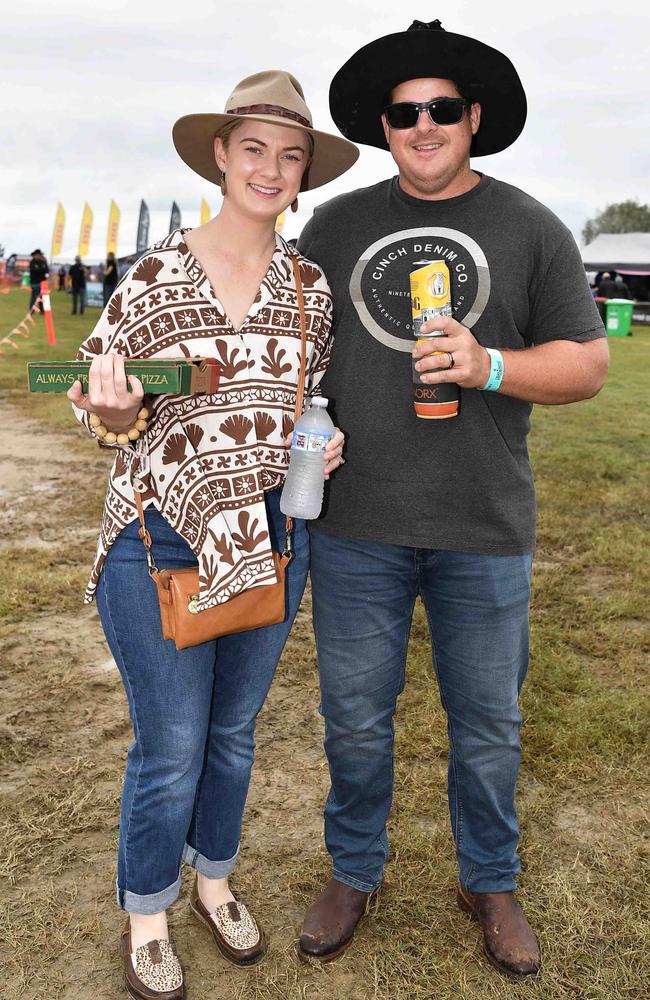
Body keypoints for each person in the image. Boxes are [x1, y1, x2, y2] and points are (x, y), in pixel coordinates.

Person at [296, 20, 609, 979]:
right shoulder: (335, 226)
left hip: (483, 525)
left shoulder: (528, 225)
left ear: (473, 119)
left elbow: (589, 363)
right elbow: (289, 353)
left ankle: (491, 878)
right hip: (356, 526)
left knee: (487, 725)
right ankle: (354, 869)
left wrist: (492, 363)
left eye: (441, 109)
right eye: (403, 112)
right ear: (384, 128)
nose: (422, 125)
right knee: (353, 717)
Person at [67, 70, 356, 1000]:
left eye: (290, 155)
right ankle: (148, 907)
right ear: (222, 157)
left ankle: (214, 881)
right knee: (172, 743)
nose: (270, 169)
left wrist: (328, 438)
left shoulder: (310, 286)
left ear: (303, 173)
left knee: (233, 735)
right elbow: (96, 407)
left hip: (273, 534)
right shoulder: (155, 272)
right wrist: (111, 411)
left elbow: (311, 406)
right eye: (254, 149)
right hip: (162, 538)